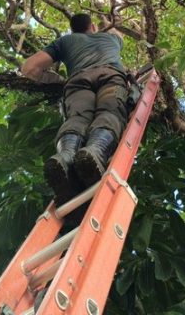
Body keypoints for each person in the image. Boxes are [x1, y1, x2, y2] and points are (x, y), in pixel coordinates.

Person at [21, 13, 129, 204]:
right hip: (111, 77)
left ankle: (65, 155)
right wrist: (107, 22)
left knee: (77, 118)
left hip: (78, 82)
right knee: (110, 112)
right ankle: (95, 150)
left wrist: (57, 80)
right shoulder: (111, 38)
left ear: (72, 29)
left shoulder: (65, 41)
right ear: (92, 27)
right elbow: (119, 34)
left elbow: (29, 68)